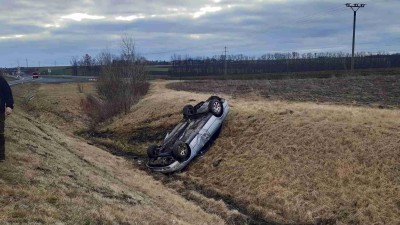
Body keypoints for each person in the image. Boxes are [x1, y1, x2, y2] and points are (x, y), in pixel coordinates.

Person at [0, 75, 14, 162]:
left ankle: (1, 156)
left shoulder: (1, 80)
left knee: (0, 134)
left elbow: (7, 93)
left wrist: (9, 106)